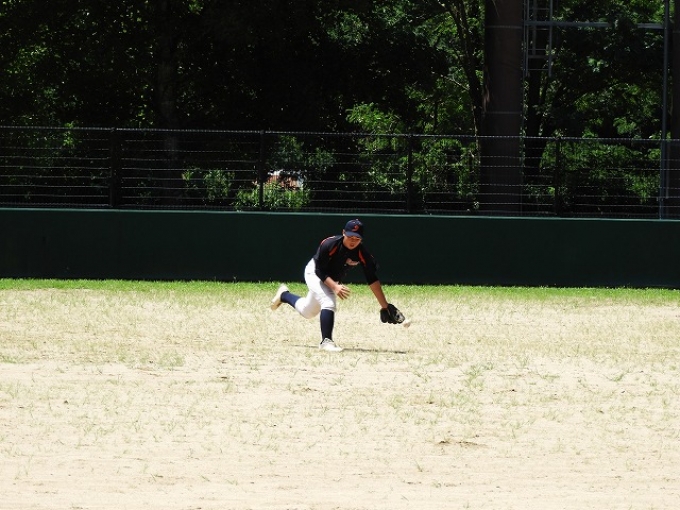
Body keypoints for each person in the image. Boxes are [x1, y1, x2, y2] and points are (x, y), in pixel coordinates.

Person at [270, 218, 392, 352]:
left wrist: (385, 306)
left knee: (308, 311)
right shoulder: (330, 244)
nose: (353, 241)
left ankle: (284, 295)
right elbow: (319, 271)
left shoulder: (362, 253)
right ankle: (326, 342)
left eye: (357, 238)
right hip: (314, 272)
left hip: (331, 279)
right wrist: (335, 287)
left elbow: (372, 279)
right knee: (328, 301)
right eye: (350, 236)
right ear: (343, 232)